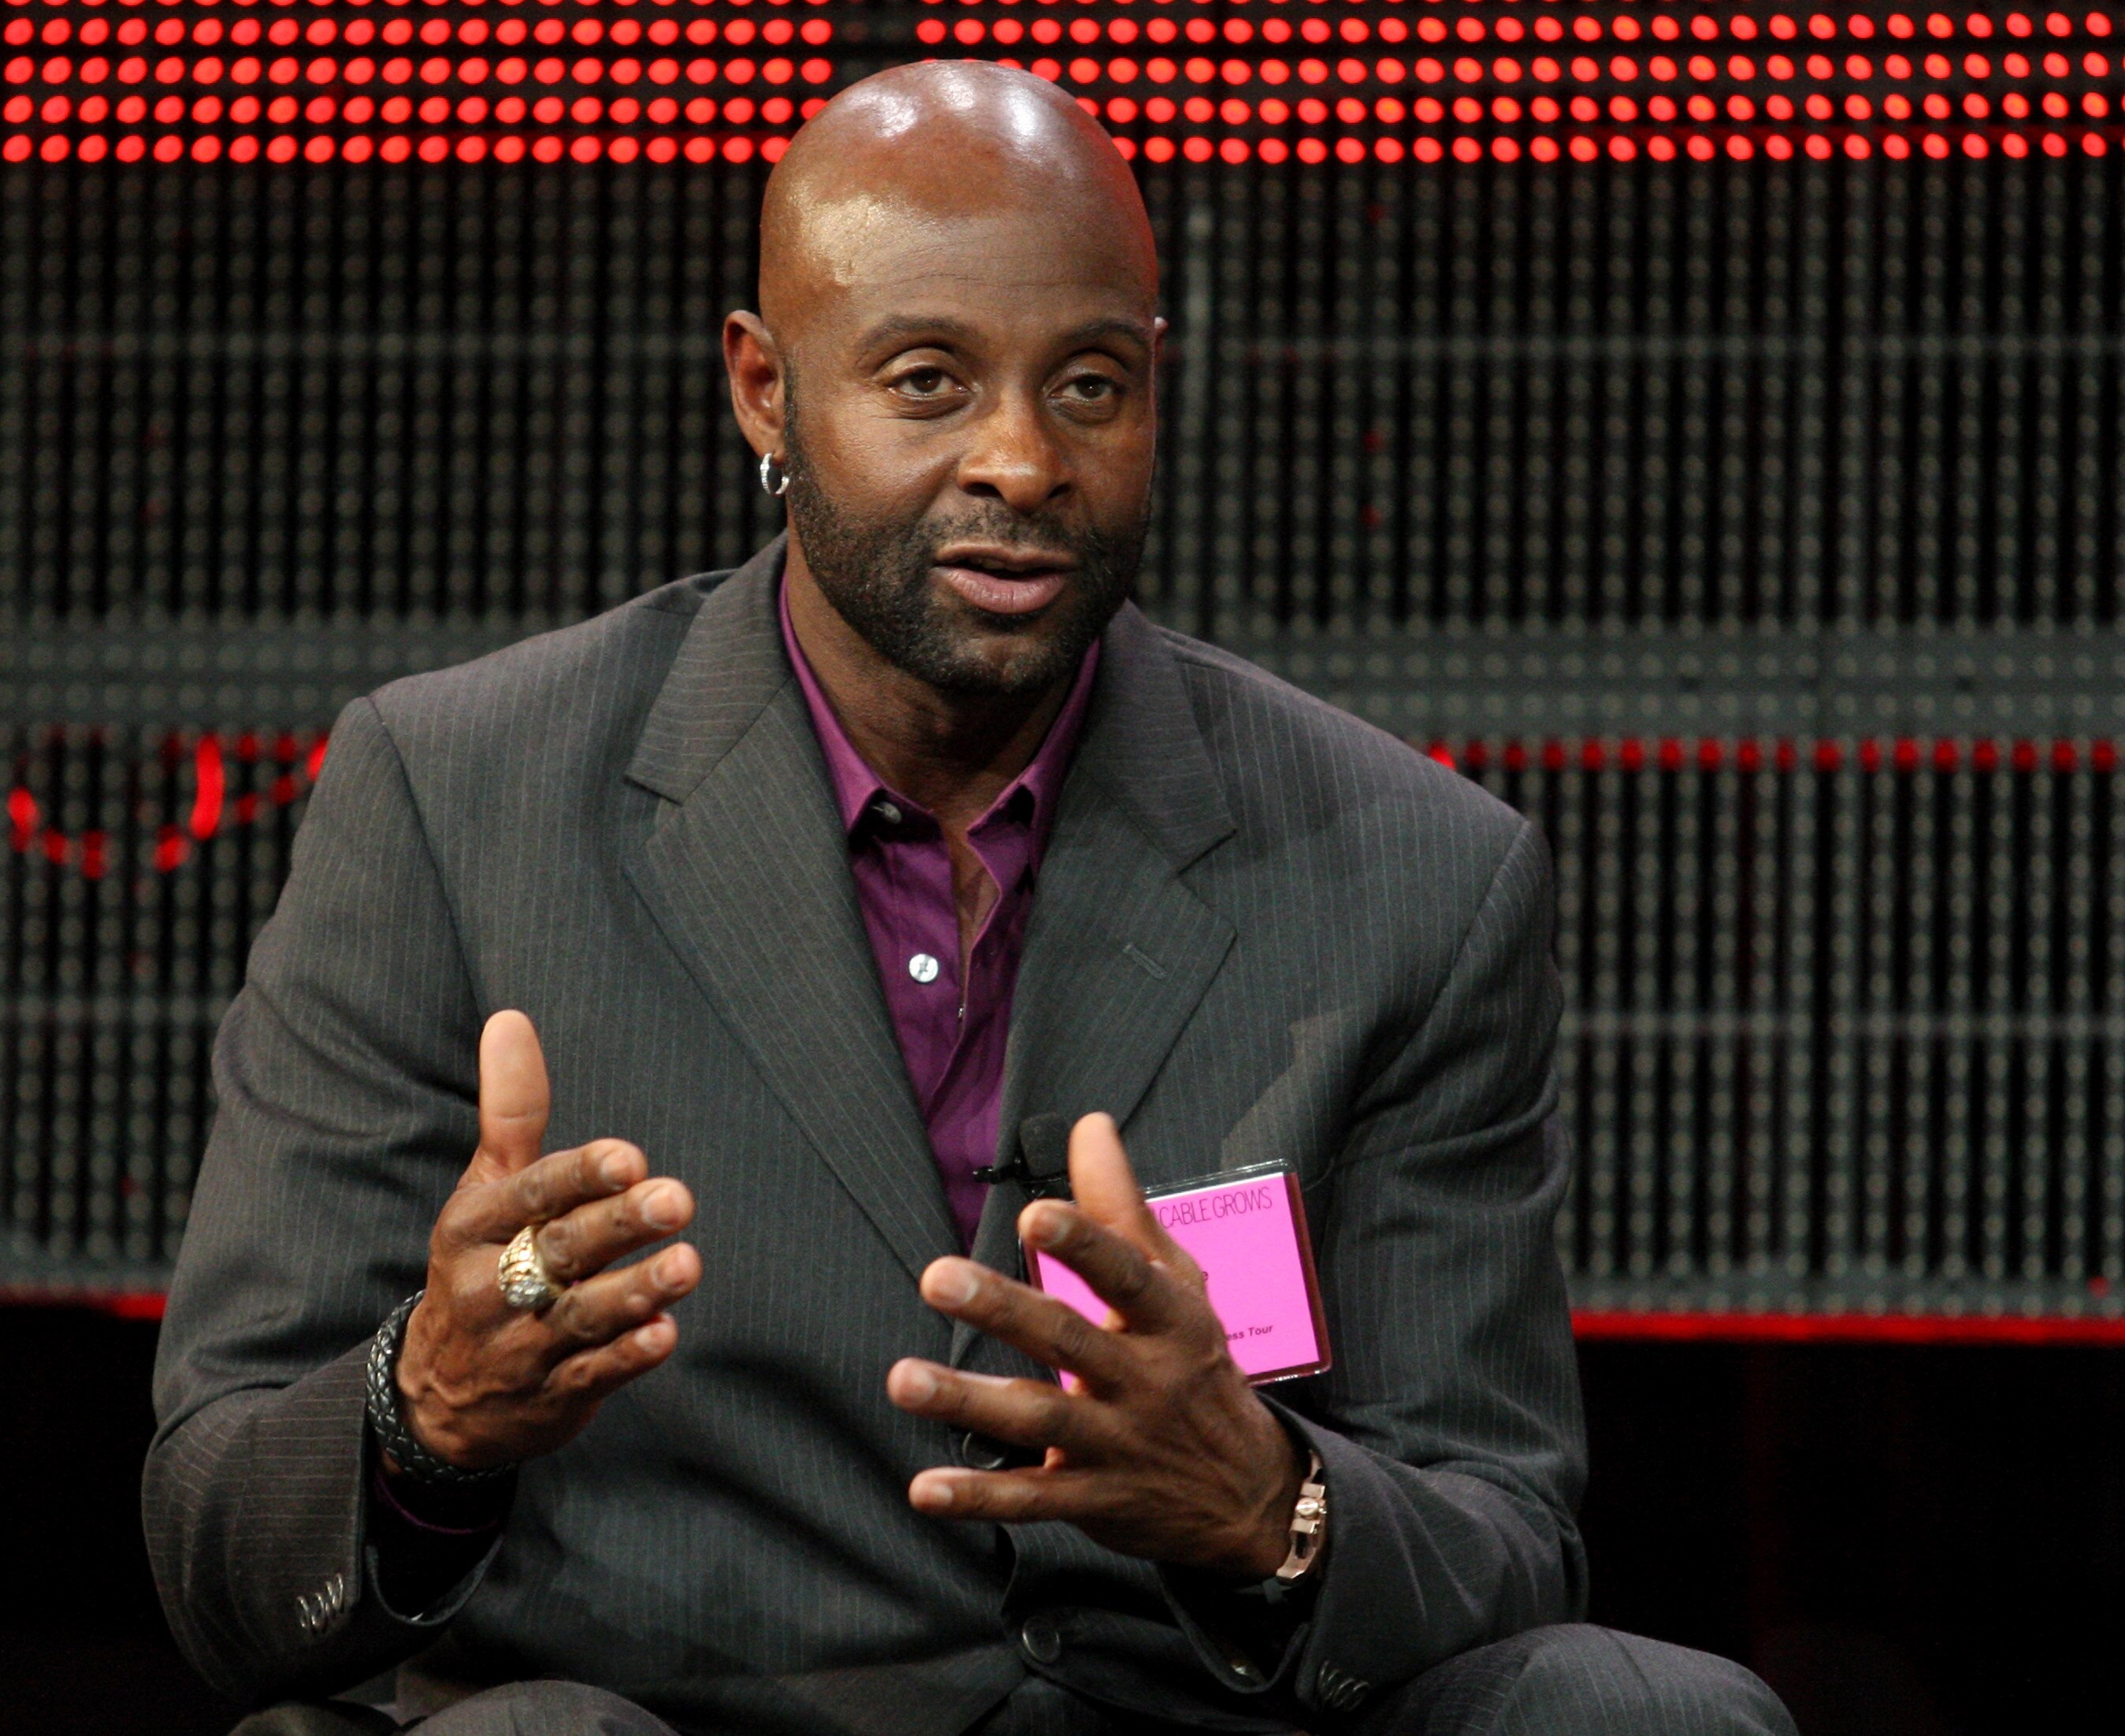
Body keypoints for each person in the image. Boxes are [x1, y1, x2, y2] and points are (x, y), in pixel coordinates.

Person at [145, 62, 1795, 1736]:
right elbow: (221, 1538)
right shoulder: (456, 800)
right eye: (928, 382)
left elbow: (1501, 1534)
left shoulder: (1414, 873)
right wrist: (426, 1411)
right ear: (766, 392)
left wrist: (1268, 1506)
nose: (1022, 459)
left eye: (1089, 386)